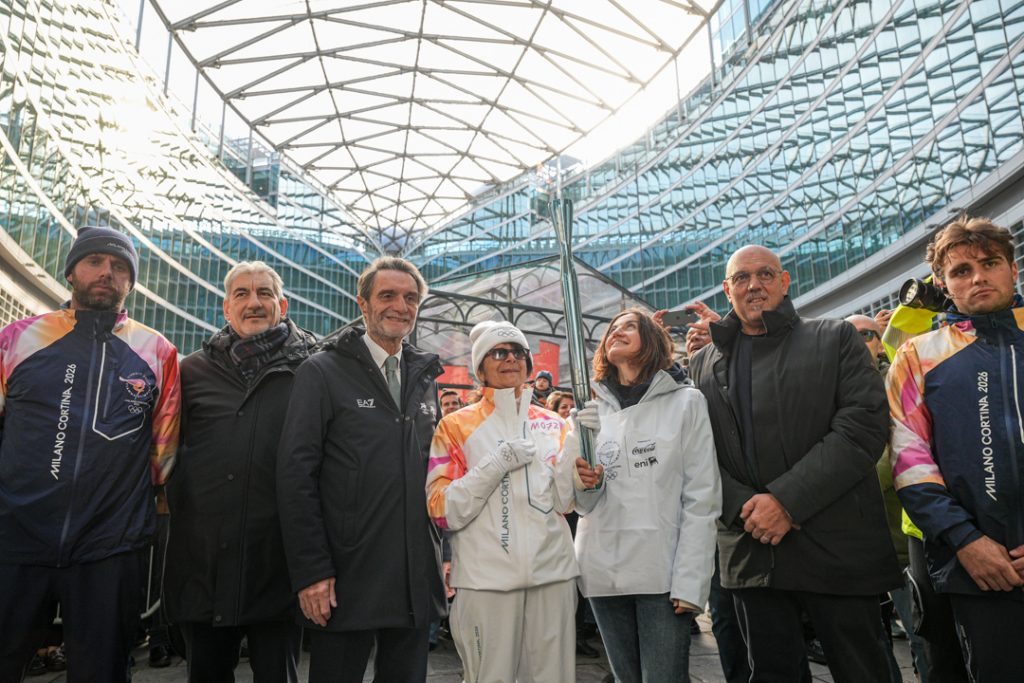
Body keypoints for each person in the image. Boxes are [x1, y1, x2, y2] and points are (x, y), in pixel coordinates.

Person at [687, 244, 900, 682]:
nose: (754, 285)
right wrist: (747, 508)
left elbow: (862, 427)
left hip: (836, 545)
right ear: (728, 290)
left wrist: (785, 502)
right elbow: (695, 454)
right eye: (741, 278)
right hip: (751, 550)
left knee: (864, 670)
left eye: (765, 274)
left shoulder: (835, 336)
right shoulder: (702, 364)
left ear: (784, 282)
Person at [0, 226, 181, 681]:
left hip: (110, 548)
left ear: (131, 282)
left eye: (120, 267)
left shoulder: (158, 352)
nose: (107, 273)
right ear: (72, 271)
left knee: (102, 673)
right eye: (95, 261)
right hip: (15, 539)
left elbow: (164, 452)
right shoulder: (16, 339)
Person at [277, 256, 445, 683]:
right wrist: (312, 571)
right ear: (363, 304)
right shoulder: (321, 371)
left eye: (410, 298)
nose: (400, 306)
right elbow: (296, 477)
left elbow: (438, 474)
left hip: (412, 575)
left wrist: (444, 554)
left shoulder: (425, 376)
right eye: (386, 295)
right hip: (345, 575)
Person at [164, 261, 315, 682]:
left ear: (282, 305)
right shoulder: (190, 371)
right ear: (226, 309)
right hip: (204, 563)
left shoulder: (312, 371)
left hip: (277, 566)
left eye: (265, 294)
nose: (255, 303)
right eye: (242, 294)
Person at [888, 216, 1024, 681]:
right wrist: (966, 541)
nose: (978, 277)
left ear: (1013, 269)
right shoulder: (916, 354)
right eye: (961, 270)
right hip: (979, 567)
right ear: (943, 284)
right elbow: (909, 462)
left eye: (990, 263)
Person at [426, 320, 581, 683]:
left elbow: (569, 503)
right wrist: (494, 465)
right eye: (499, 352)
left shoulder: (554, 425)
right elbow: (441, 508)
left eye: (518, 352)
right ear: (480, 368)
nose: (510, 359)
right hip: (486, 581)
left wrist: (579, 444)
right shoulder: (455, 426)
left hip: (552, 575)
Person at [573, 309, 722, 683]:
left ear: (652, 340)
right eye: (612, 328)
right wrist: (583, 479)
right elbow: (582, 504)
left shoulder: (686, 402)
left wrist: (691, 582)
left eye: (629, 326)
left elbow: (702, 497)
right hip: (603, 572)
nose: (616, 331)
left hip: (663, 576)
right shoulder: (593, 409)